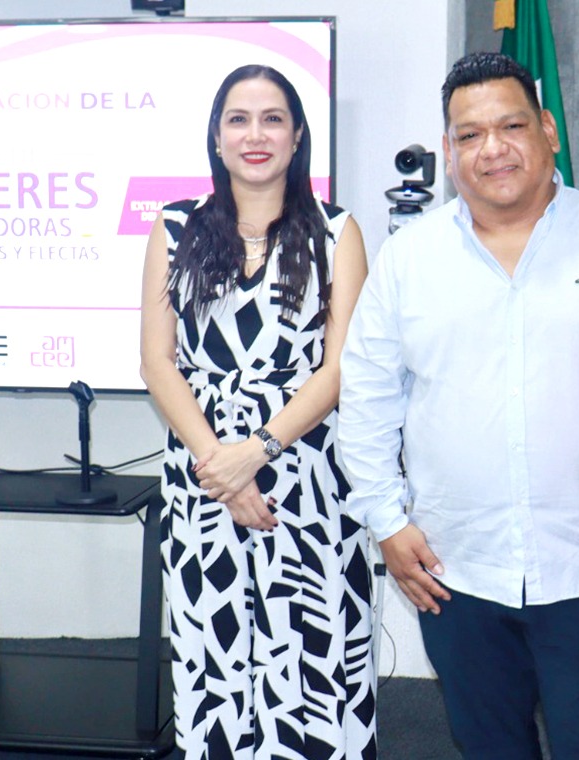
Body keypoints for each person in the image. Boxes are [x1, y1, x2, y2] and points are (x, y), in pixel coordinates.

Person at [337, 52, 579, 759]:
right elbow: (366, 398)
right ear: (450, 149)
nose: (493, 148)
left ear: (548, 130)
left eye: (512, 126)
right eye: (470, 134)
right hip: (458, 571)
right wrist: (386, 522)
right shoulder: (409, 259)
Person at [140, 64, 375, 759]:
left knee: (311, 657)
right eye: (238, 120)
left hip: (307, 478)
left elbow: (340, 368)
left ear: (297, 136)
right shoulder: (175, 227)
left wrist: (258, 451)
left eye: (273, 119)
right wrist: (222, 465)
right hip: (204, 479)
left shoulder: (338, 232)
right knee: (214, 659)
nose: (255, 135)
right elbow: (157, 362)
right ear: (216, 138)